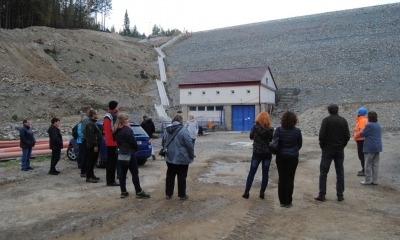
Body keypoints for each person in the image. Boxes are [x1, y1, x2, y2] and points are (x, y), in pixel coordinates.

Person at [315, 104, 350, 202]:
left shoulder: (326, 121)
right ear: (337, 110)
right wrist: (342, 145)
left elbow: (321, 136)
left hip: (327, 149)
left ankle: (322, 194)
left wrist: (323, 146)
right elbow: (347, 136)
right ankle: (340, 195)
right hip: (339, 149)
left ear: (329, 111)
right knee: (340, 172)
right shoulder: (343, 121)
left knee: (323, 172)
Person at [113, 113, 150, 199]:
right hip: (129, 153)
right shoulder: (127, 130)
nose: (128, 120)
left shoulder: (116, 130)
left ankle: (123, 191)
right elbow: (133, 142)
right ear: (123, 121)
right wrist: (136, 149)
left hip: (120, 152)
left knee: (122, 173)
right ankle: (138, 191)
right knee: (134, 172)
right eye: (126, 119)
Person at [242, 112, 274, 200]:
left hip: (257, 152)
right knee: (265, 173)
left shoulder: (255, 127)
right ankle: (262, 192)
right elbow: (271, 139)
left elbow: (251, 137)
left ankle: (247, 192)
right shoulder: (271, 129)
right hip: (267, 153)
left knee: (252, 172)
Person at [163, 114, 194, 200]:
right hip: (181, 157)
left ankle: (168, 194)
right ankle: (182, 195)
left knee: (170, 175)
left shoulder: (167, 130)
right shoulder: (183, 130)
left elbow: (164, 142)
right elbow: (189, 145)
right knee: (181, 176)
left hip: (169, 156)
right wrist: (191, 155)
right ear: (181, 121)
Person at [275, 111, 302, 208]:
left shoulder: (278, 130)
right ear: (294, 120)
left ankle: (282, 201)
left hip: (281, 156)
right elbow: (299, 144)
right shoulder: (297, 131)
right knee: (290, 178)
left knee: (282, 178)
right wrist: (293, 150)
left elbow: (275, 143)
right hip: (293, 157)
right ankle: (288, 201)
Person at [359, 111, 382, 185]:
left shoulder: (369, 125)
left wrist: (361, 130)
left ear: (369, 118)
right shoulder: (378, 125)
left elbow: (362, 134)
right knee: (375, 164)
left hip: (370, 147)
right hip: (377, 146)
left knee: (368, 164)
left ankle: (367, 180)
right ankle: (375, 180)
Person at [104, 101, 120, 186]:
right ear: (114, 107)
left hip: (109, 141)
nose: (119, 107)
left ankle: (110, 179)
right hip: (113, 142)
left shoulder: (107, 116)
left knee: (110, 162)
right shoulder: (113, 116)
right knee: (112, 162)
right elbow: (114, 130)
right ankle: (111, 180)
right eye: (117, 106)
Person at [85, 110, 102, 183]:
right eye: (96, 114)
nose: (98, 115)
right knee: (91, 161)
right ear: (93, 115)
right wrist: (95, 145)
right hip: (92, 146)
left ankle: (92, 175)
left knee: (93, 161)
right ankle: (89, 177)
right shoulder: (90, 124)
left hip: (94, 145)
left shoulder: (92, 123)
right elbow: (92, 136)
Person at [354, 107, 367, 176]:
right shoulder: (362, 120)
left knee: (361, 156)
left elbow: (361, 131)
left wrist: (356, 136)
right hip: (361, 140)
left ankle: (364, 170)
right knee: (362, 156)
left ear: (360, 113)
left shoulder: (362, 121)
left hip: (361, 140)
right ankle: (364, 169)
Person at [79, 107, 92, 178]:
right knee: (86, 156)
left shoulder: (86, 118)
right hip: (86, 140)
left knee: (86, 156)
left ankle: (84, 171)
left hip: (86, 139)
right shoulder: (86, 119)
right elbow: (84, 130)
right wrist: (88, 137)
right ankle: (84, 172)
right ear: (88, 111)